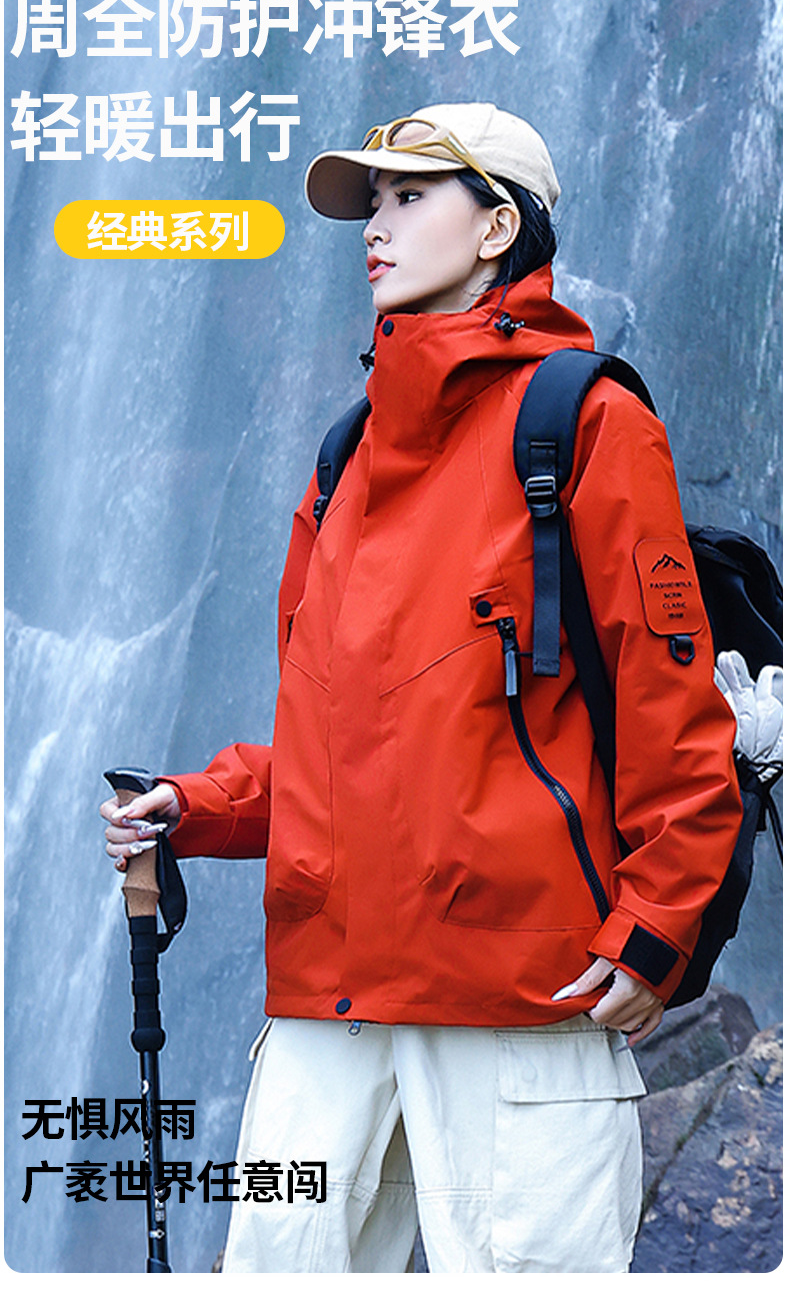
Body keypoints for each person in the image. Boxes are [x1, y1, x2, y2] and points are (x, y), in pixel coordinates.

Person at [101, 102, 742, 1273]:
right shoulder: (342, 458)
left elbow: (671, 706)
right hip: (329, 1002)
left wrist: (656, 925)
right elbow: (333, 741)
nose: (374, 227)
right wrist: (194, 806)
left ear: (497, 226)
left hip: (519, 996)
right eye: (371, 203)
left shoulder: (587, 421)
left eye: (408, 196)